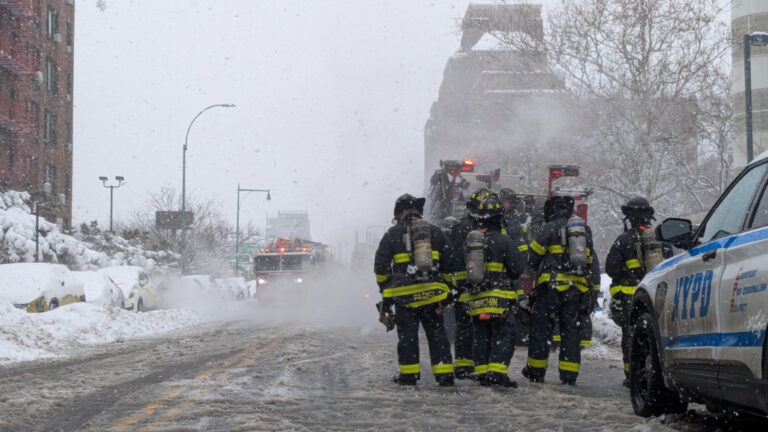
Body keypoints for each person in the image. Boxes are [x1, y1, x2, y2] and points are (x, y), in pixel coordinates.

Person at [374, 194, 456, 386]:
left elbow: (380, 267)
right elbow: (450, 264)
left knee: (408, 337)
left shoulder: (392, 234)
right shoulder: (436, 232)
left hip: (405, 298)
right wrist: (445, 295)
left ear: (400, 212)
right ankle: (444, 376)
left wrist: (386, 292)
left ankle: (409, 375)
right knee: (437, 336)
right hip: (432, 297)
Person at [521, 195, 599, 385]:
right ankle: (569, 375)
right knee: (570, 332)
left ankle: (536, 372)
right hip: (576, 290)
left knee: (541, 330)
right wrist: (592, 293)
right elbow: (592, 263)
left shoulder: (549, 227)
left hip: (551, 288)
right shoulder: (584, 231)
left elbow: (533, 257)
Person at [458, 195, 526, 387]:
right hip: (499, 300)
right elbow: (517, 269)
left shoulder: (470, 242)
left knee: (481, 335)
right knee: (504, 335)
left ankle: (481, 372)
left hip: (476, 300)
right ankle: (496, 372)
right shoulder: (504, 241)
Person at [605, 196, 655, 387]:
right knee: (652, 334)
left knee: (631, 336)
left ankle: (632, 375)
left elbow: (611, 269)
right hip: (653, 295)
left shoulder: (624, 240)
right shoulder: (656, 238)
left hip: (630, 297)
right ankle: (653, 373)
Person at [448, 187, 496, 379]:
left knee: (464, 325)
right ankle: (482, 365)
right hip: (484, 286)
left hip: (463, 286)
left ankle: (462, 364)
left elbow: (451, 257)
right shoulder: (489, 229)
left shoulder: (460, 229)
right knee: (484, 327)